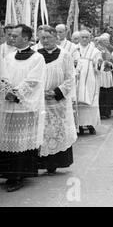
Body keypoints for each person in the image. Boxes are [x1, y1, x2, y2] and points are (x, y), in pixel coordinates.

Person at [0, 24, 46, 192]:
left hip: (24, 106)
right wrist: (6, 91)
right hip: (7, 104)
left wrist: (16, 94)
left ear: (26, 38)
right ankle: (7, 173)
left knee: (21, 141)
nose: (11, 38)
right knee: (6, 139)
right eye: (10, 35)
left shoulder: (37, 58)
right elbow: (2, 76)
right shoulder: (9, 57)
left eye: (15, 36)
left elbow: (33, 81)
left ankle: (17, 176)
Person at [37, 26, 77, 174]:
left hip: (58, 101)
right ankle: (40, 163)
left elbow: (70, 77)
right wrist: (39, 92)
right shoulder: (36, 54)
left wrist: (55, 92)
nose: (45, 41)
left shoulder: (64, 55)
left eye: (48, 37)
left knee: (57, 130)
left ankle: (55, 163)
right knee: (42, 131)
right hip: (40, 100)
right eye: (42, 38)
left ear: (56, 37)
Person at [74, 30, 102, 134]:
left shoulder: (95, 51)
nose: (84, 39)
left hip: (90, 79)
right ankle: (79, 125)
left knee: (91, 100)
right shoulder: (74, 49)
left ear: (90, 38)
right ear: (79, 38)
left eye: (87, 37)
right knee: (78, 101)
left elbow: (99, 65)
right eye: (82, 37)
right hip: (78, 79)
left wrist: (99, 64)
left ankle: (91, 124)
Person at [96, 34, 113, 119]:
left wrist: (111, 63)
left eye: (107, 40)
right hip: (102, 73)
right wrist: (105, 63)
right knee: (102, 92)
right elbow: (98, 61)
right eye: (105, 41)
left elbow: (112, 60)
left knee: (107, 92)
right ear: (100, 41)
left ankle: (107, 112)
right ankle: (101, 112)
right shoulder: (98, 49)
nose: (107, 42)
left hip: (107, 73)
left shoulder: (107, 49)